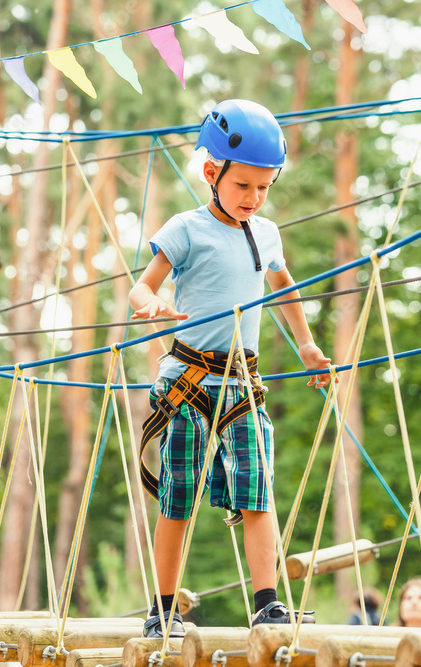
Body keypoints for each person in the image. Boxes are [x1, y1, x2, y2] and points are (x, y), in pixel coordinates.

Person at [129, 99, 333, 638]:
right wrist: (147, 301)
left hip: (243, 382)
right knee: (179, 497)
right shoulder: (186, 229)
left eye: (264, 187)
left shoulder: (266, 233)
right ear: (211, 172)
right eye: (244, 186)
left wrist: (308, 346)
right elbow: (144, 282)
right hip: (189, 379)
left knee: (256, 492)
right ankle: (163, 608)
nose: (255, 198)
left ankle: (267, 603)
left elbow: (283, 286)